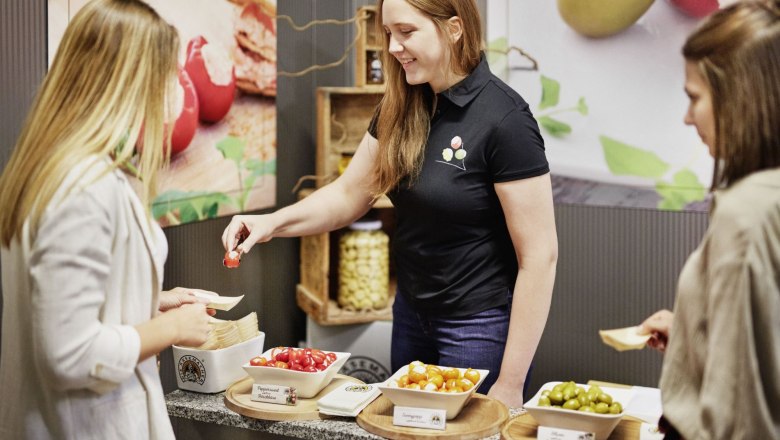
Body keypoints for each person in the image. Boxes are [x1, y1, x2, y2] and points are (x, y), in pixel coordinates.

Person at [223, 0, 558, 407]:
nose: (394, 47)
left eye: (406, 32)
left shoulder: (505, 120)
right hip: (411, 316)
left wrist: (511, 381)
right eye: (388, 34)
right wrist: (270, 223)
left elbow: (540, 256)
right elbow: (349, 195)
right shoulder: (402, 105)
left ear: (453, 28)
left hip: (477, 327)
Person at [0, 0, 215, 438]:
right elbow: (68, 354)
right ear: (130, 82)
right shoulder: (83, 188)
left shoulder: (68, 169)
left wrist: (147, 302)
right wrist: (170, 327)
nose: (175, 92)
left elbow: (63, 302)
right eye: (168, 76)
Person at [638, 1, 780, 438]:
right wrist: (692, 334)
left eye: (694, 97)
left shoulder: (746, 213)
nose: (687, 116)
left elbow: (738, 413)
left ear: (738, 96)